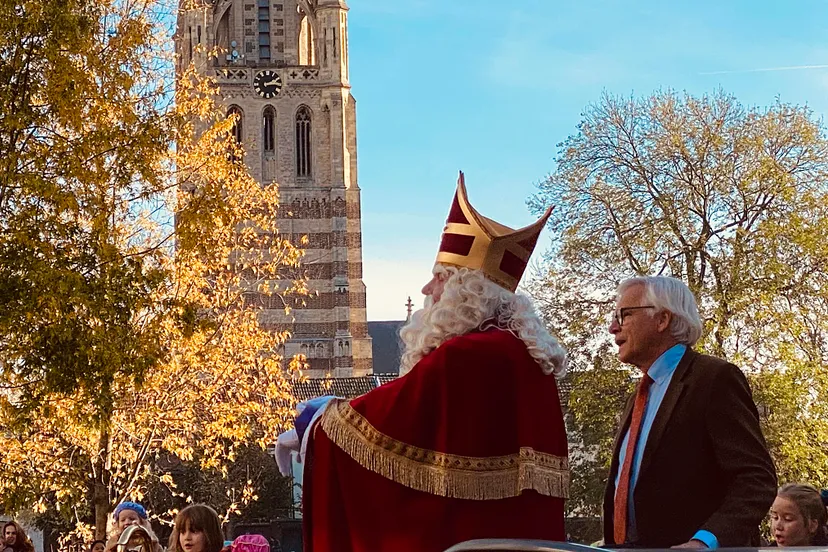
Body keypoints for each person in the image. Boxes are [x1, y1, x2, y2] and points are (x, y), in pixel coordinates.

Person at [276, 172, 569, 552]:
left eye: (437, 278)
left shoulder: (466, 357)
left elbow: (391, 417)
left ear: (466, 289)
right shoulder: (525, 356)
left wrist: (313, 421)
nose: (426, 290)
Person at [602, 276, 777, 548]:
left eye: (623, 315)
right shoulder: (635, 399)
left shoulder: (715, 379)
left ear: (662, 320)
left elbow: (755, 479)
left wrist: (704, 541)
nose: (613, 327)